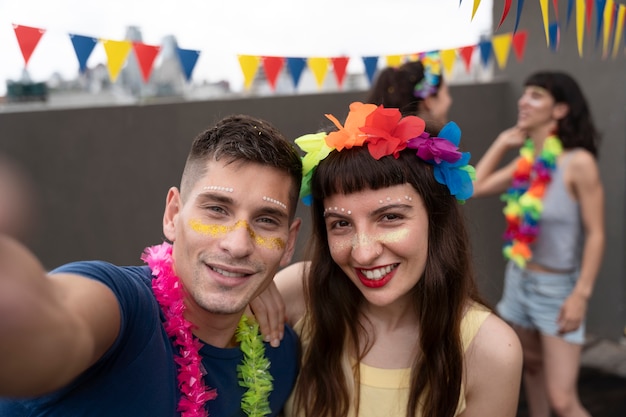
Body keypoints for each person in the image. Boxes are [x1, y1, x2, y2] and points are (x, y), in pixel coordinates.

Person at [0, 114, 303, 417]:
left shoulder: (279, 353)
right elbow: (62, 324)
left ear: (288, 243)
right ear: (173, 215)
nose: (238, 245)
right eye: (216, 209)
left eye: (265, 220)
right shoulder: (124, 307)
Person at [269, 101, 523, 417]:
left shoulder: (491, 350)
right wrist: (256, 287)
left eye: (389, 217)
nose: (363, 252)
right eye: (341, 224)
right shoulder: (298, 292)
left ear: (436, 219)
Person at [473, 71, 605, 417]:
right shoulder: (526, 163)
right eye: (524, 93)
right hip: (519, 281)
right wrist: (503, 142)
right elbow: (474, 187)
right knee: (531, 372)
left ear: (560, 110)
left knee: (563, 400)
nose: (523, 101)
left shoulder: (579, 164)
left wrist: (580, 295)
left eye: (536, 95)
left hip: (556, 288)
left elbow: (596, 234)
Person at [365, 52, 452, 131]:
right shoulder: (436, 147)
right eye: (446, 93)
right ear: (428, 101)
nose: (449, 101)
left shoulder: (378, 144)